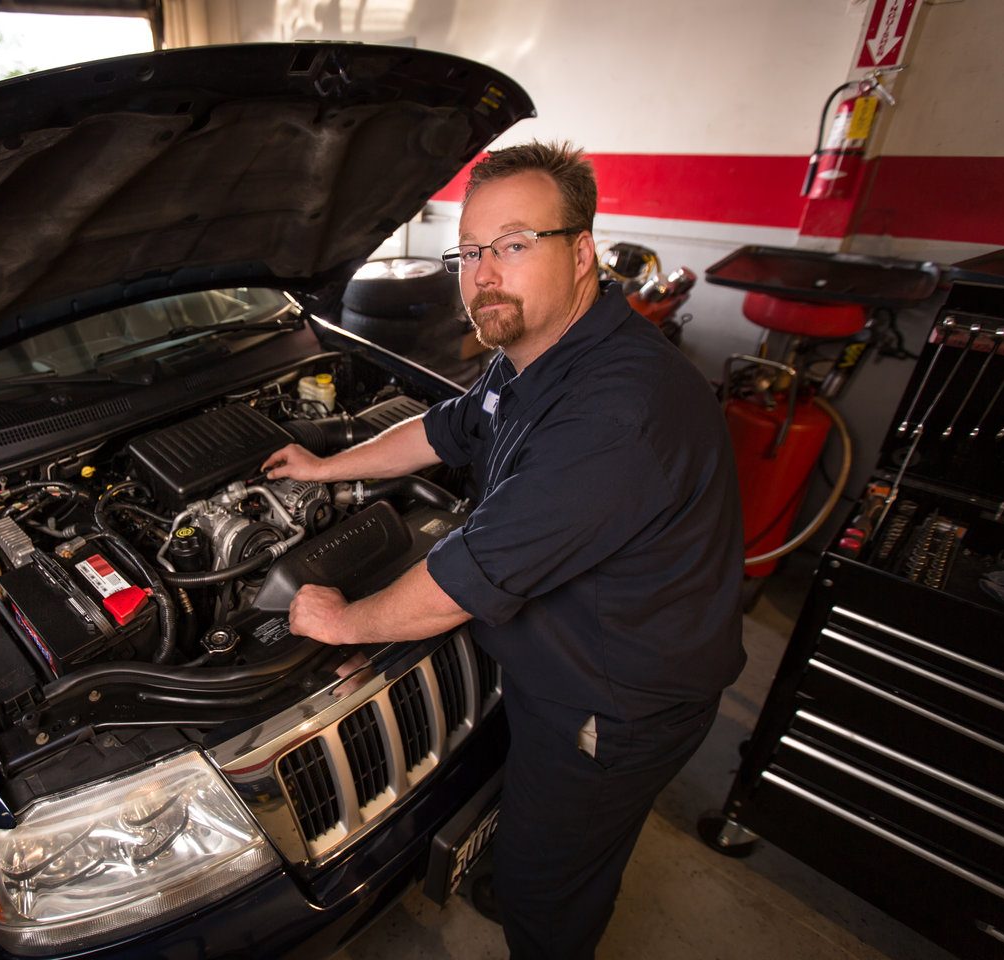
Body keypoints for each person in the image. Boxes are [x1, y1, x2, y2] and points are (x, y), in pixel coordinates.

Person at [261, 141, 745, 960]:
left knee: (546, 892)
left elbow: (462, 581)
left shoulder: (618, 409)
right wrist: (325, 465)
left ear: (582, 251)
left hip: (612, 705)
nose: (484, 272)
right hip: (562, 665)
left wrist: (344, 622)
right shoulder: (532, 357)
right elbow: (442, 429)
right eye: (471, 250)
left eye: (515, 244)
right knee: (552, 840)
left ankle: (539, 900)